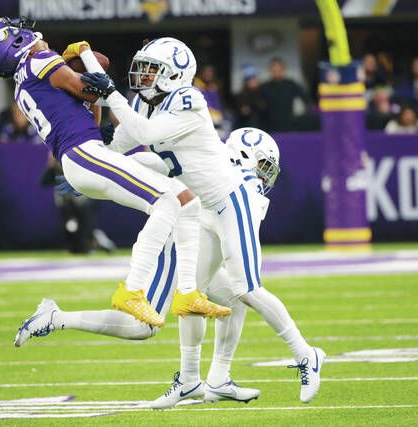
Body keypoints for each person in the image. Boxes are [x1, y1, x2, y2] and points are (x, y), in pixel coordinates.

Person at [80, 38, 324, 404]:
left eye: (153, 69)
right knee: (190, 294)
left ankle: (307, 354)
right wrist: (85, 149)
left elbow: (145, 137)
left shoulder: (188, 99)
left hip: (229, 202)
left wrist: (110, 94)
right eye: (144, 67)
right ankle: (191, 380)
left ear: (174, 74)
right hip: (202, 210)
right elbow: (119, 149)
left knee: (246, 288)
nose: (144, 75)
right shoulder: (146, 105)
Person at [0, 17, 229, 331]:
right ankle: (132, 289)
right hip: (84, 155)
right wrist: (87, 59)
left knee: (185, 202)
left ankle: (187, 292)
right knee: (171, 199)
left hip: (84, 155)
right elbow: (89, 88)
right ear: (14, 43)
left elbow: (91, 105)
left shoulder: (25, 83)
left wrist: (92, 77)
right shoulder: (40, 60)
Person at [17, 127, 281, 408]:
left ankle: (217, 379)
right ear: (246, 155)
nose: (265, 175)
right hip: (172, 247)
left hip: (192, 250)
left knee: (233, 299)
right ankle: (55, 317)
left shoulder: (227, 175)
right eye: (263, 165)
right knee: (141, 327)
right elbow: (156, 163)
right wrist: (100, 169)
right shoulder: (211, 162)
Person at [259, 57, 311, 132]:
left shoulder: (291, 85)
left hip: (288, 125)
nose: (276, 72)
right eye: (274, 70)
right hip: (269, 127)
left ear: (283, 70)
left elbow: (306, 99)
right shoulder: (265, 87)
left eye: (279, 70)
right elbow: (258, 105)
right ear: (270, 70)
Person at [234, 64, 263, 128]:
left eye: (253, 77)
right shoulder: (240, 96)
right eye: (248, 79)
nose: (252, 81)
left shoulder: (263, 92)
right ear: (245, 81)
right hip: (247, 127)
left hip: (263, 128)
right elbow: (240, 114)